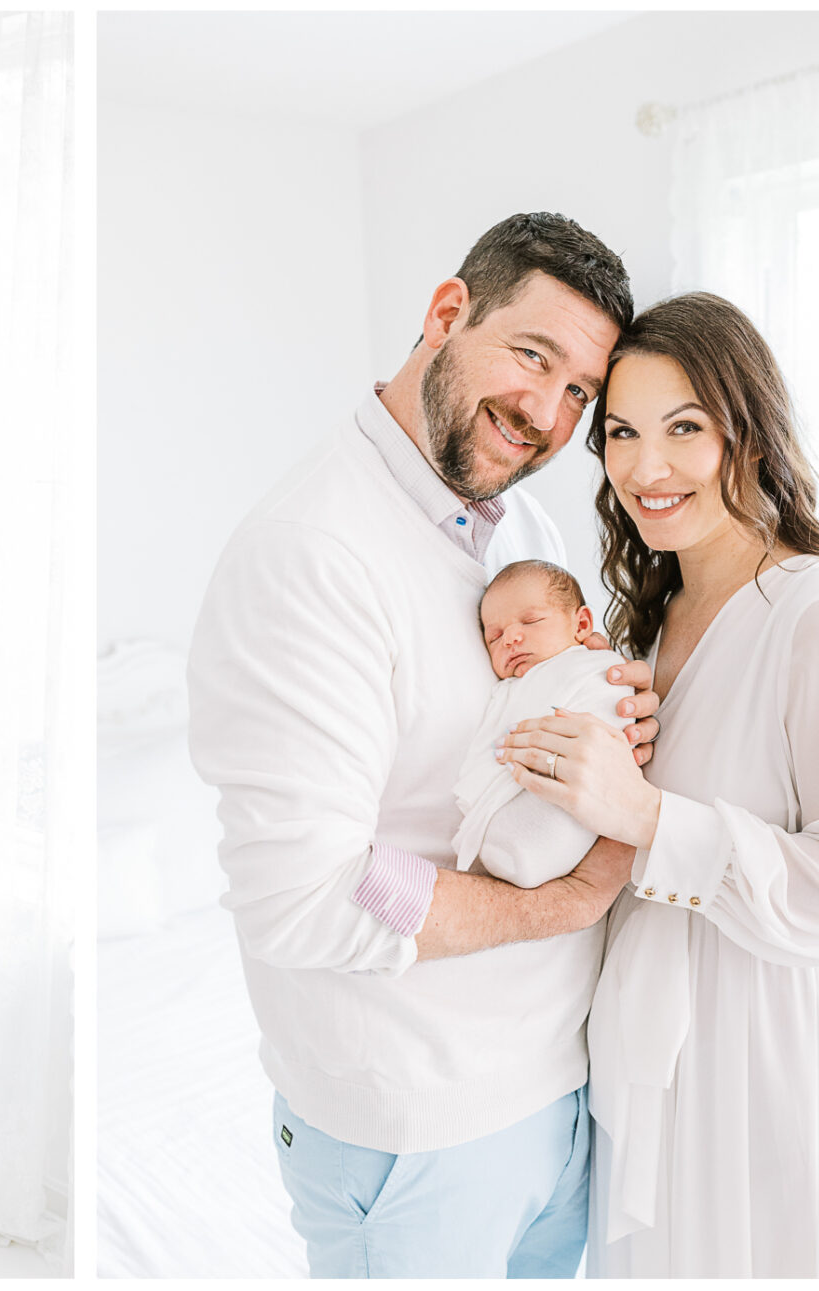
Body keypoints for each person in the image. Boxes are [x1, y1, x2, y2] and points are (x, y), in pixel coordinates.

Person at [186, 212, 659, 1278]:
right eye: (532, 356)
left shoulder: (514, 530)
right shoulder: (311, 556)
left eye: (580, 392)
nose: (546, 412)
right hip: (419, 1133)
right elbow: (304, 893)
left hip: (558, 1097)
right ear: (447, 314)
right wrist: (566, 901)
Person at [496, 292, 819, 1276]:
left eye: (685, 427)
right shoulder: (645, 615)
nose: (647, 468)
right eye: (621, 432)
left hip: (774, 1061)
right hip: (656, 1063)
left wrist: (646, 817)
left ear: (750, 429)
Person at [453, 560, 633, 889]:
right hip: (503, 824)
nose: (510, 638)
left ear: (581, 624)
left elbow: (609, 714)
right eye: (494, 637)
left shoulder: (593, 669)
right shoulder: (508, 690)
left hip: (568, 810)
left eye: (531, 621)